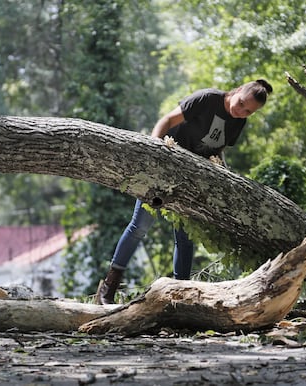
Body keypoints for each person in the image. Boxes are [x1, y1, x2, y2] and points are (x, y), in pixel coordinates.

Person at [96, 79, 273, 305]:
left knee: (185, 237)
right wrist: (153, 151)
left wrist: (222, 172)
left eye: (248, 111)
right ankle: (109, 286)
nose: (240, 112)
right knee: (139, 226)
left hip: (191, 180)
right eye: (240, 104)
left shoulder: (239, 122)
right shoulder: (207, 99)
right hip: (163, 167)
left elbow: (217, 147)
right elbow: (167, 120)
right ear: (237, 91)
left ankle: (180, 296)